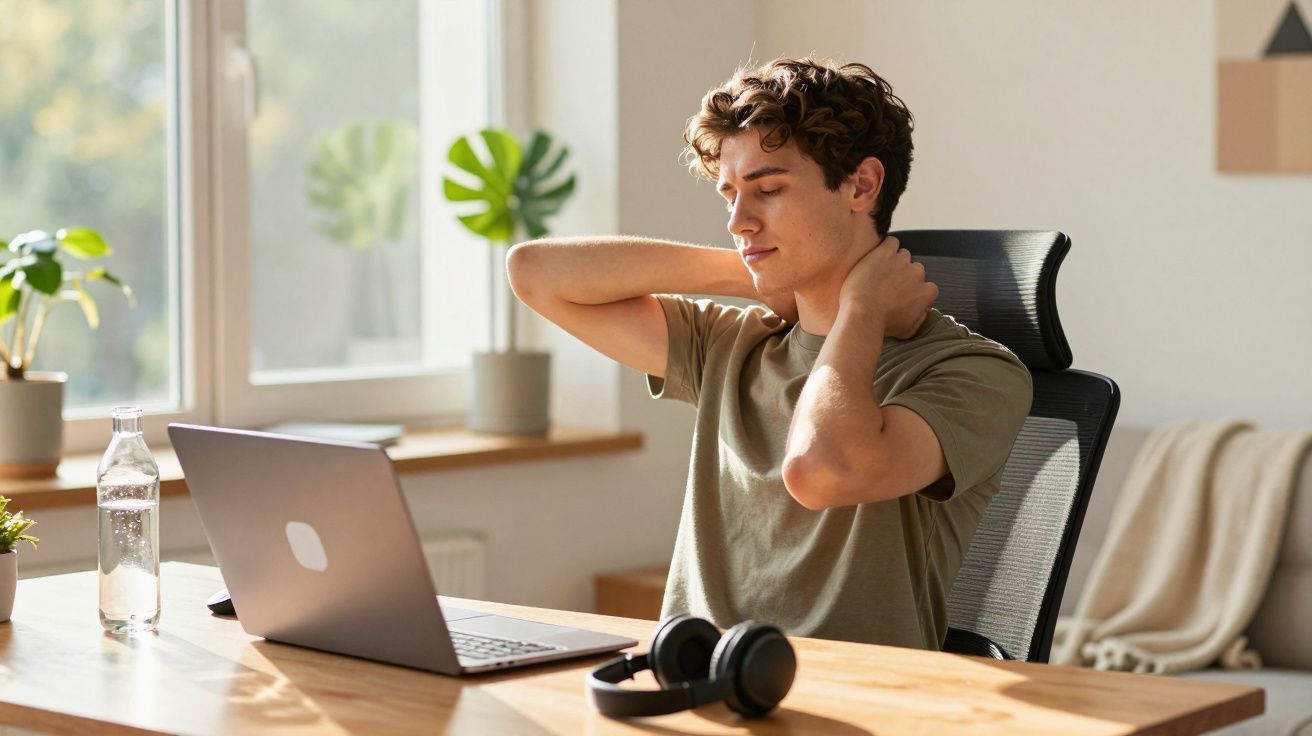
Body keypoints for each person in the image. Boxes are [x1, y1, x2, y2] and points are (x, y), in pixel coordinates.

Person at [506, 57, 1032, 649]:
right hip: (694, 685)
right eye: (729, 194)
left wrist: (859, 309)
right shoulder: (733, 343)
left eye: (769, 189)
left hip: (859, 701)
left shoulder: (975, 372)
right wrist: (754, 274)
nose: (738, 220)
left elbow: (821, 470)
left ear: (861, 186)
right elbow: (535, 274)